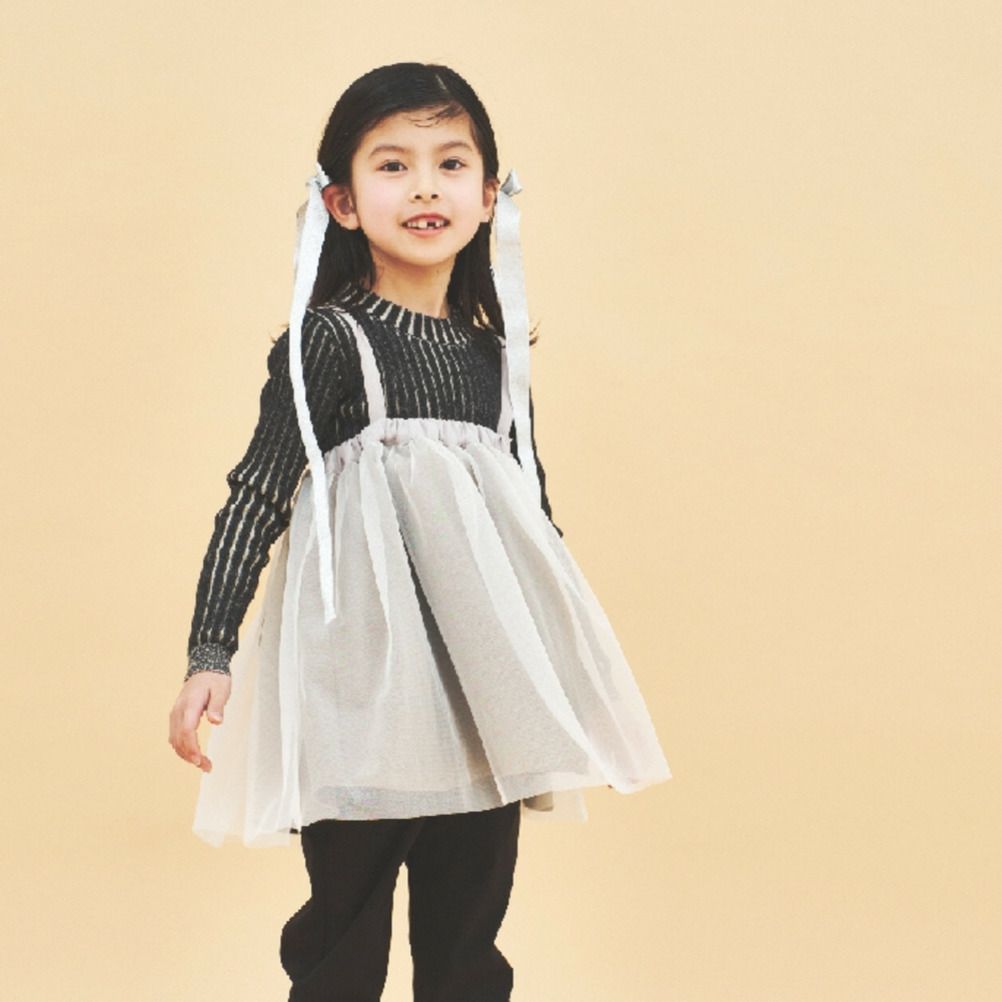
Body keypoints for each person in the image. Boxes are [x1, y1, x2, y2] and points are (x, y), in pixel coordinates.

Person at [168, 61, 672, 1002]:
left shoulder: (494, 357)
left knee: (469, 926)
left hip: (482, 686)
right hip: (363, 682)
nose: (426, 187)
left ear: (489, 196)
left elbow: (532, 524)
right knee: (345, 924)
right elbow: (258, 490)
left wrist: (566, 678)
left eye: (450, 164)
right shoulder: (331, 339)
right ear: (342, 202)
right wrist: (210, 651)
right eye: (393, 165)